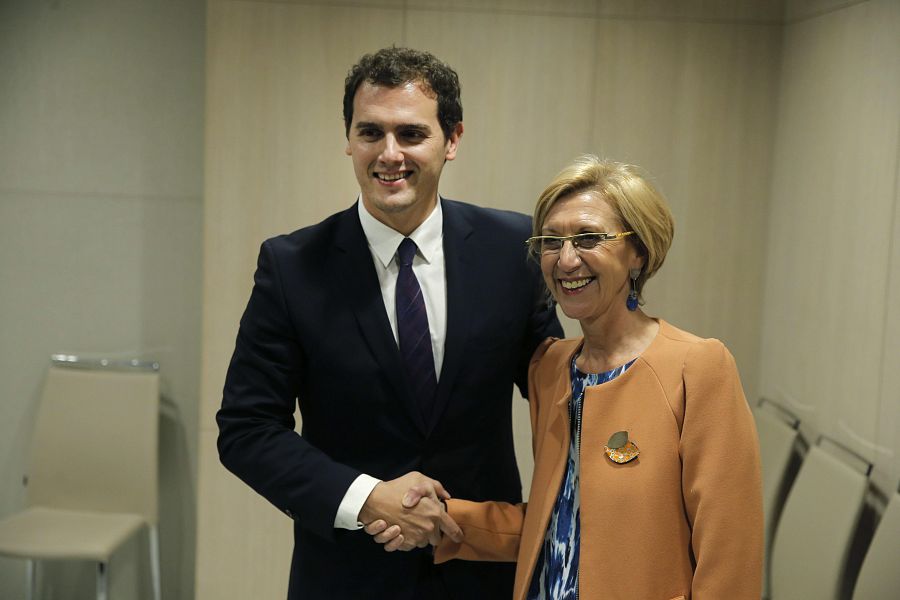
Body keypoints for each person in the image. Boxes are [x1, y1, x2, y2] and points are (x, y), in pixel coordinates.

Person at [215, 46, 563, 600]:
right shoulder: (292, 266)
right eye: (371, 132)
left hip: (481, 575)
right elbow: (246, 429)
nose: (389, 153)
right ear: (348, 140)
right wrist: (364, 497)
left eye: (411, 133)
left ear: (452, 140)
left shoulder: (512, 251)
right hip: (346, 576)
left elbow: (558, 396)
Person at [372, 156, 764, 599]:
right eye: (551, 241)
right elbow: (559, 520)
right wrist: (445, 519)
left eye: (588, 238)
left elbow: (730, 558)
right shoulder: (551, 368)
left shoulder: (698, 368)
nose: (567, 260)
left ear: (638, 251)